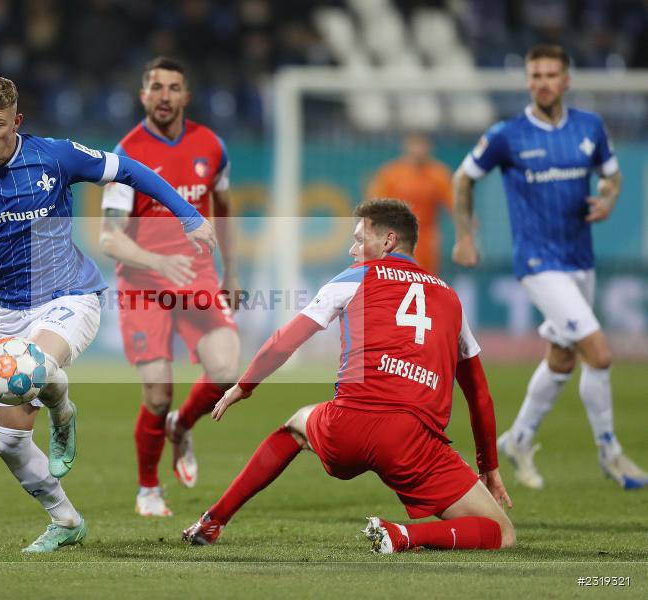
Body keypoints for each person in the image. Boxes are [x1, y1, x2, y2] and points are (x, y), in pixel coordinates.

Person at [0, 73, 216, 552]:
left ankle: (60, 411)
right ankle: (66, 519)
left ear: (17, 121)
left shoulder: (53, 156)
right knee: (7, 443)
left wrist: (189, 215)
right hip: (13, 309)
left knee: (33, 366)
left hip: (70, 296)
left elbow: (129, 170)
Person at [183, 199, 515, 553]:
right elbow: (479, 396)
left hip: (347, 426)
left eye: (359, 239)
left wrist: (244, 386)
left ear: (388, 241)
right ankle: (403, 536)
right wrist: (489, 466)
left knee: (296, 427)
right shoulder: (451, 298)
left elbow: (285, 340)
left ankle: (214, 519)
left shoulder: (354, 277)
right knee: (502, 533)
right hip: (412, 443)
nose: (352, 250)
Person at [452, 44, 648, 490]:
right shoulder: (507, 135)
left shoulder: (589, 127)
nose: (542, 82)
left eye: (550, 74)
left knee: (561, 358)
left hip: (580, 260)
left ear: (566, 80)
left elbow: (612, 175)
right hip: (538, 263)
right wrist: (465, 235)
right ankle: (611, 453)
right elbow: (463, 177)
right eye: (535, 75)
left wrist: (609, 199)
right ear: (527, 81)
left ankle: (519, 438)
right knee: (599, 354)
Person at [100, 57, 241, 517]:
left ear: (186, 96)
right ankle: (148, 489)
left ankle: (182, 425)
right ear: (143, 95)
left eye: (173, 87)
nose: (164, 96)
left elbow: (224, 209)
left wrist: (231, 272)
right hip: (143, 284)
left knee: (226, 372)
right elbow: (109, 237)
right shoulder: (126, 155)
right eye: (156, 87)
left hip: (198, 278)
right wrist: (159, 261)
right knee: (158, 393)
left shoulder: (211, 146)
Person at [366, 133, 453, 275]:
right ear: (407, 147)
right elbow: (374, 205)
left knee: (424, 277)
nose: (418, 150)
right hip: (396, 236)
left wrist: (466, 226)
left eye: (422, 145)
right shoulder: (391, 174)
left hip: (426, 237)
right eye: (415, 145)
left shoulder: (438, 174)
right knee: (396, 276)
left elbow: (454, 203)